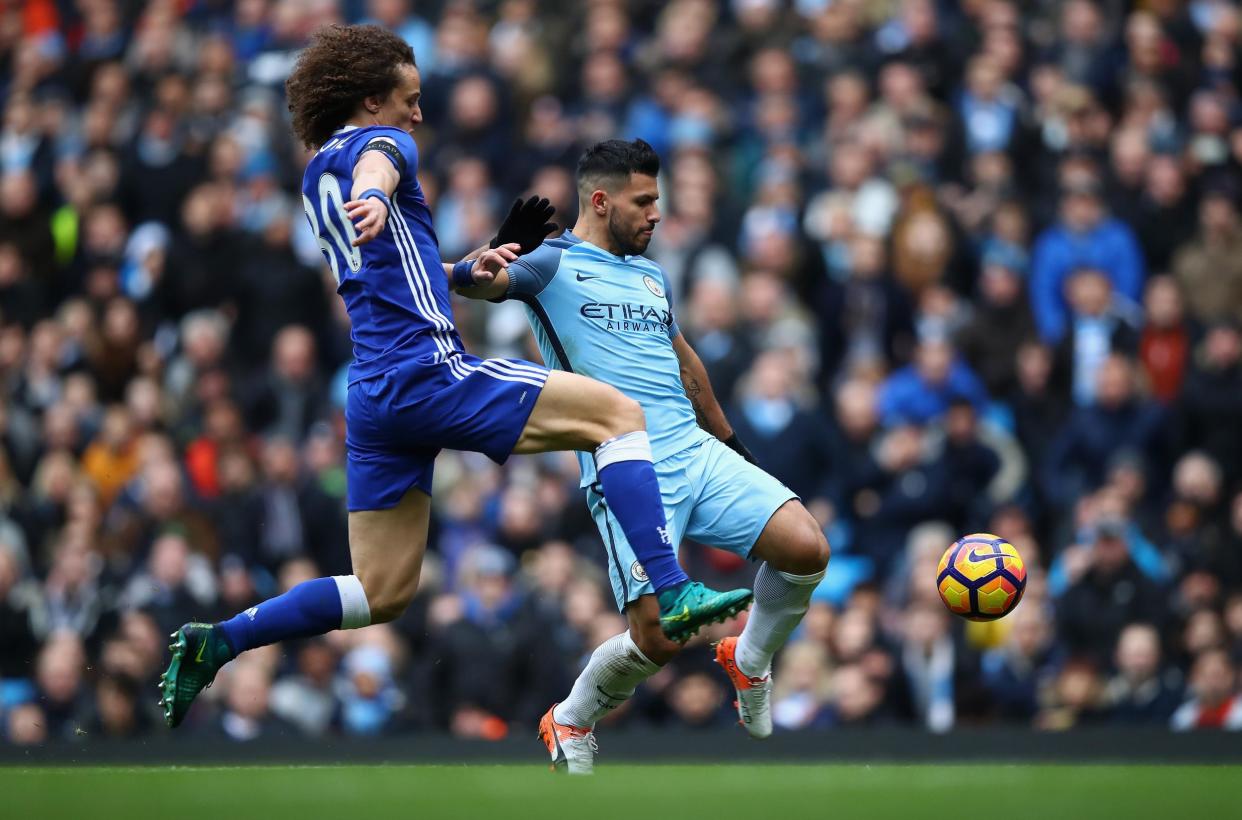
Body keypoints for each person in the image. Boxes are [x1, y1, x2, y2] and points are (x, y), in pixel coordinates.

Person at [157, 26, 750, 730]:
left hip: (374, 394)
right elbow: (382, 159)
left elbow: (386, 268)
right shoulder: (384, 146)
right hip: (428, 371)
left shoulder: (316, 172)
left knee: (382, 591)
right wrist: (379, 194)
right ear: (371, 99)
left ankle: (220, 640)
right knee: (619, 416)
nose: (416, 114)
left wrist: (462, 271)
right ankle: (673, 587)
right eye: (408, 99)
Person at [454, 139, 830, 773]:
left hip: (696, 450)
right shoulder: (549, 264)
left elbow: (686, 365)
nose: (658, 212)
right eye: (645, 200)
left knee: (806, 547)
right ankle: (570, 716)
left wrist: (734, 446)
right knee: (658, 637)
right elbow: (474, 286)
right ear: (600, 202)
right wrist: (478, 264)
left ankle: (749, 659)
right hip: (628, 466)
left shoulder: (651, 274)